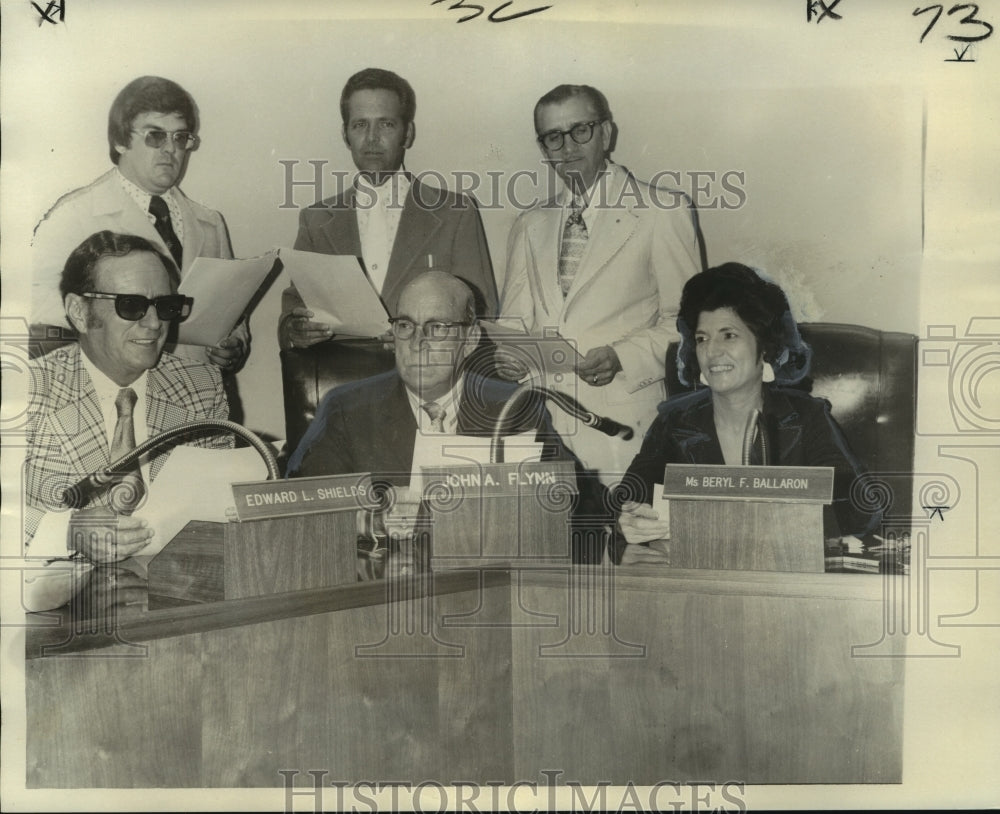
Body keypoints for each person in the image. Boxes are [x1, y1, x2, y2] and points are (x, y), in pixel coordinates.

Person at [287, 271, 604, 569]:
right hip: (385, 598)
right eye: (405, 326)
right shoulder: (346, 409)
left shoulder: (515, 408)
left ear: (469, 340)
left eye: (437, 328)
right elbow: (301, 514)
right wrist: (374, 516)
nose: (417, 343)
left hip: (490, 592)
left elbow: (580, 503)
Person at [497, 83, 705, 487]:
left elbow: (691, 326)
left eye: (581, 130)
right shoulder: (529, 224)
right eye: (553, 137)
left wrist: (622, 356)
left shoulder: (662, 211)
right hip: (542, 427)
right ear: (543, 148)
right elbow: (514, 326)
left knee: (627, 541)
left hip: (625, 425)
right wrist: (509, 357)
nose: (567, 147)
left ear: (607, 133)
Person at [615, 263, 880, 565]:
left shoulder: (807, 417)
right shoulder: (673, 422)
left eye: (729, 335)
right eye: (702, 338)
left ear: (764, 347)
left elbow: (860, 512)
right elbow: (625, 504)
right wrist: (630, 524)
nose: (712, 351)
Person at [24, 231, 233, 565]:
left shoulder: (201, 385)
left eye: (165, 306)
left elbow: (222, 505)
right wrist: (68, 529)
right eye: (131, 305)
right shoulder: (27, 392)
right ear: (79, 311)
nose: (154, 324)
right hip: (64, 598)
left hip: (178, 583)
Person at [31, 75, 247, 373]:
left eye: (180, 137)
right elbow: (36, 305)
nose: (170, 149)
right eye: (155, 136)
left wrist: (234, 342)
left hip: (197, 392)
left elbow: (230, 311)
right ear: (121, 140)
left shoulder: (210, 223)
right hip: (116, 388)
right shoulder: (75, 214)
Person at [280, 67, 498, 350]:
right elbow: (292, 311)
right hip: (340, 384)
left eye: (386, 124)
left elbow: (482, 314)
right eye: (360, 125)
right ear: (345, 135)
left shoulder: (455, 212)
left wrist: (422, 338)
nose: (371, 138)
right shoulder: (316, 219)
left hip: (428, 383)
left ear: (407, 134)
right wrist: (296, 330)